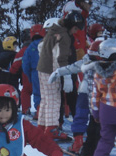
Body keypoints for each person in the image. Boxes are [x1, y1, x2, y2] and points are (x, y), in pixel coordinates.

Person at [48, 40, 103, 156]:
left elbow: (71, 68)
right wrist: (58, 72)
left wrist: (58, 72)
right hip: (98, 95)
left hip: (85, 92)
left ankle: (80, 142)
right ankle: (83, 143)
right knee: (94, 120)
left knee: (82, 117)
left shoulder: (86, 61)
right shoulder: (107, 64)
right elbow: (71, 68)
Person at [36, 10, 85, 139]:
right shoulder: (64, 36)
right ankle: (51, 129)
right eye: (75, 28)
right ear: (70, 25)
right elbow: (62, 58)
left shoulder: (53, 30)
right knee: (54, 100)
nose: (76, 31)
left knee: (46, 99)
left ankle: (42, 127)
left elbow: (40, 47)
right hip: (52, 70)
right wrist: (67, 75)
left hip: (42, 68)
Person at [90, 38, 116, 156]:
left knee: (106, 140)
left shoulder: (98, 71)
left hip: (105, 111)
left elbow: (95, 94)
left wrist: (95, 112)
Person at [22, 24, 47, 119]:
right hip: (48, 71)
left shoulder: (29, 48)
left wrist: (29, 76)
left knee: (38, 93)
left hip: (35, 72)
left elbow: (25, 64)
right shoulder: (48, 44)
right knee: (49, 93)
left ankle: (39, 112)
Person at [9, 29, 32, 115]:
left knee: (26, 91)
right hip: (42, 73)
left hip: (27, 74)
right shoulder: (41, 47)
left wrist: (12, 71)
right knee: (41, 93)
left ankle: (26, 109)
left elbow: (16, 64)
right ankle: (41, 111)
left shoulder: (23, 51)